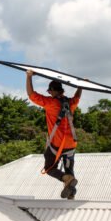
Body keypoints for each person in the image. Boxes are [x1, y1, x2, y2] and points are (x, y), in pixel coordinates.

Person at [26, 69, 82, 199]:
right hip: (71, 144)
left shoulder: (50, 103)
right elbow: (77, 97)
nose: (49, 93)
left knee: (49, 168)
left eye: (49, 91)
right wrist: (81, 86)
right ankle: (71, 193)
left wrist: (29, 77)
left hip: (57, 144)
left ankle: (66, 178)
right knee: (69, 168)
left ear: (52, 90)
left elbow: (31, 94)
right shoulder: (71, 103)